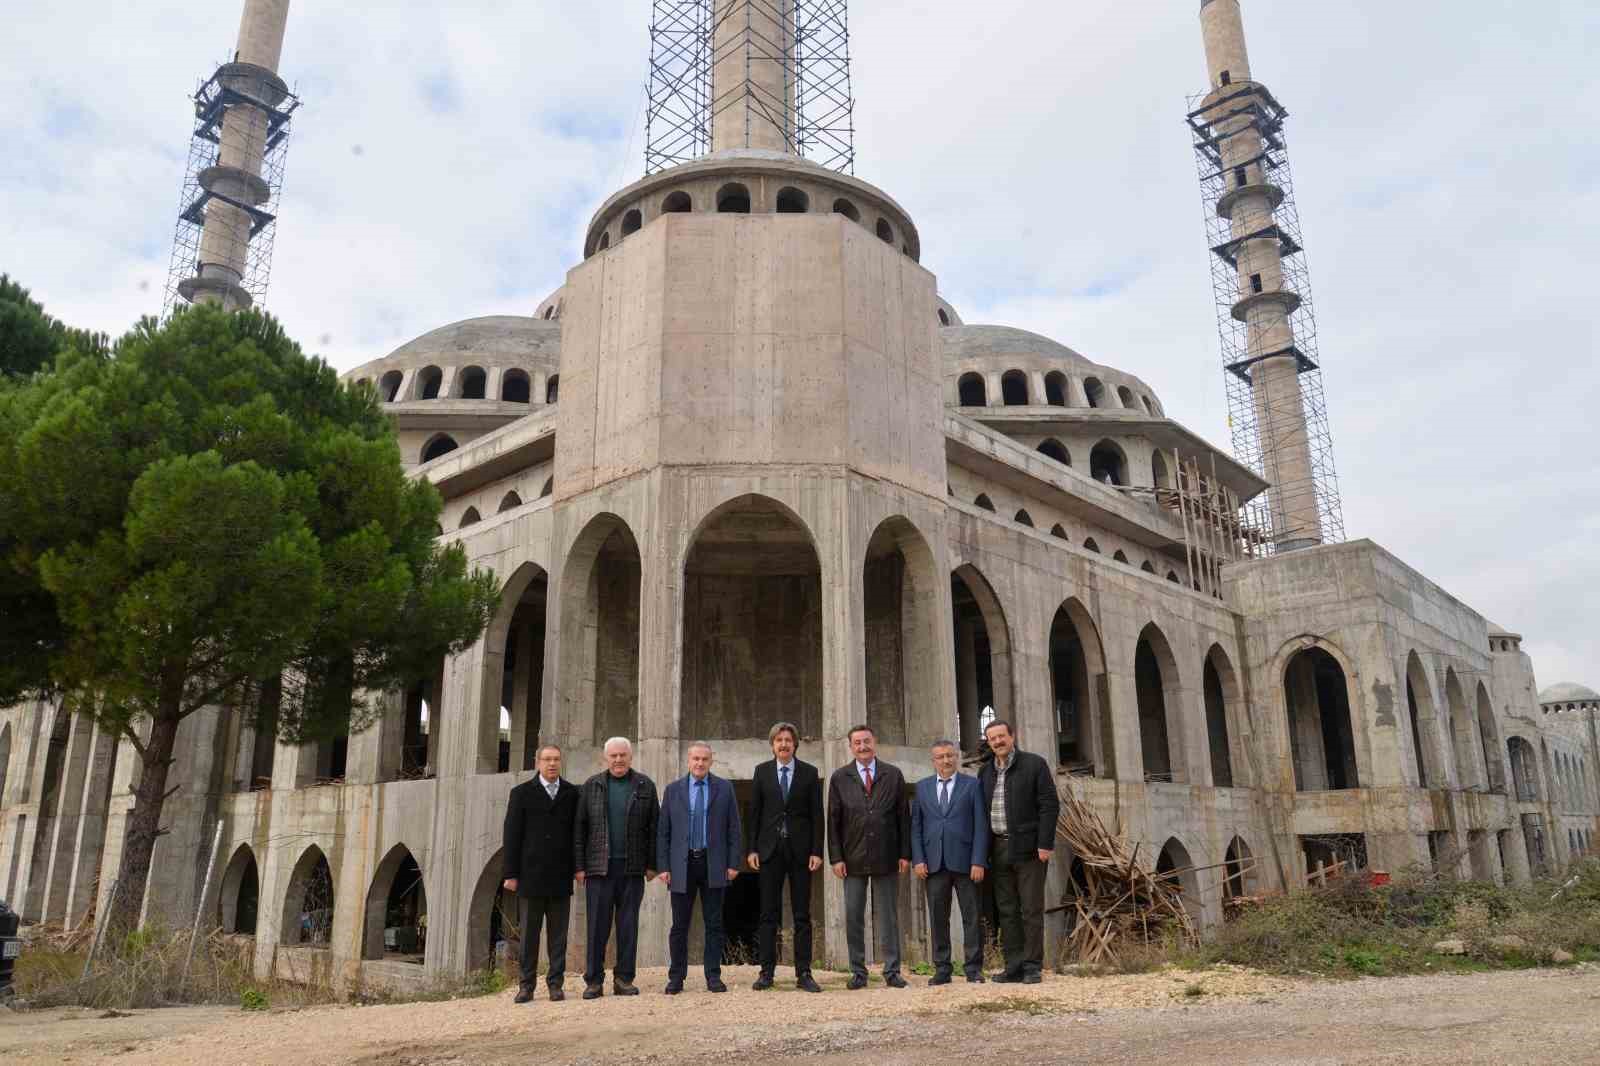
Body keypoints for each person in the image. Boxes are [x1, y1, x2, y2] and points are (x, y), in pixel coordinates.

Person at [573, 737, 659, 999]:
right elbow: (580, 829)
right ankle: (594, 981)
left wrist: (653, 864)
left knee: (628, 926)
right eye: (614, 756)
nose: (619, 760)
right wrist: (579, 866)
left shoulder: (645, 785)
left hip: (632, 869)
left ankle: (624, 979)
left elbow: (655, 827)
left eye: (623, 755)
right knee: (597, 927)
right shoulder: (591, 786)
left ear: (631, 757)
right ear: (605, 758)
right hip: (599, 869)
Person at [827, 724, 911, 989]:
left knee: (888, 916)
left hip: (887, 855)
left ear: (875, 743)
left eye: (867, 741)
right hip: (852, 858)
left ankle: (892, 971)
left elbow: (903, 818)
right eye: (857, 743)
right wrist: (836, 858)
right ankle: (858, 972)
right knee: (853, 915)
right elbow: (833, 821)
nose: (863, 747)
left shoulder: (893, 775)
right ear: (850, 747)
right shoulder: (840, 777)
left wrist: (905, 854)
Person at [977, 720, 1060, 983]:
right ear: (988, 742)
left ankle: (1032, 966)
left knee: (1031, 908)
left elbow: (1049, 805)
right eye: (993, 738)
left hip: (1029, 849)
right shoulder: (985, 772)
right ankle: (1013, 966)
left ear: (1012, 736)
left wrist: (1045, 843)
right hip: (998, 847)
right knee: (1007, 910)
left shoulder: (1034, 764)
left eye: (1001, 736)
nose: (998, 742)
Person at [657, 742, 742, 994]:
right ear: (688, 761)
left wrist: (733, 862)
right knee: (679, 926)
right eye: (695, 758)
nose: (699, 763)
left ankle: (713, 976)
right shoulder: (673, 790)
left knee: (714, 923)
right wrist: (663, 866)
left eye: (704, 759)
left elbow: (734, 828)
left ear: (711, 762)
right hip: (682, 866)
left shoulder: (724, 789)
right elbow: (664, 832)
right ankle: (676, 978)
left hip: (713, 863)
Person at [746, 722, 824, 993]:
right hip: (769, 851)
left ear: (795, 744)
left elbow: (817, 815)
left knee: (802, 914)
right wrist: (752, 849)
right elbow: (754, 814)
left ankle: (803, 973)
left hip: (801, 852)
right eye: (779, 740)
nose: (783, 744)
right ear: (772, 745)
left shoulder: (810, 773)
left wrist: (817, 851)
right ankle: (766, 972)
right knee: (768, 913)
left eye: (788, 740)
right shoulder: (762, 772)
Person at [501, 744, 580, 1003]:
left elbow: (578, 835)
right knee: (530, 936)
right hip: (530, 877)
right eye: (547, 759)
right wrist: (510, 873)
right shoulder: (521, 793)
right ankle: (526, 986)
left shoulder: (572, 793)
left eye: (556, 759)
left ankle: (555, 985)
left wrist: (578, 868)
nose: (552, 764)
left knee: (558, 937)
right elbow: (512, 836)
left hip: (560, 876)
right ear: (537, 763)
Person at [911, 739, 990, 985]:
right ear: (933, 761)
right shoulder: (922, 788)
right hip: (934, 865)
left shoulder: (972, 785)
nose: (946, 760)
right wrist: (919, 859)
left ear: (956, 757)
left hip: (967, 863)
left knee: (972, 916)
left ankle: (973, 969)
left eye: (950, 755)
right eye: (940, 757)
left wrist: (978, 860)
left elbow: (981, 826)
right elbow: (916, 827)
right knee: (938, 918)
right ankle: (942, 969)